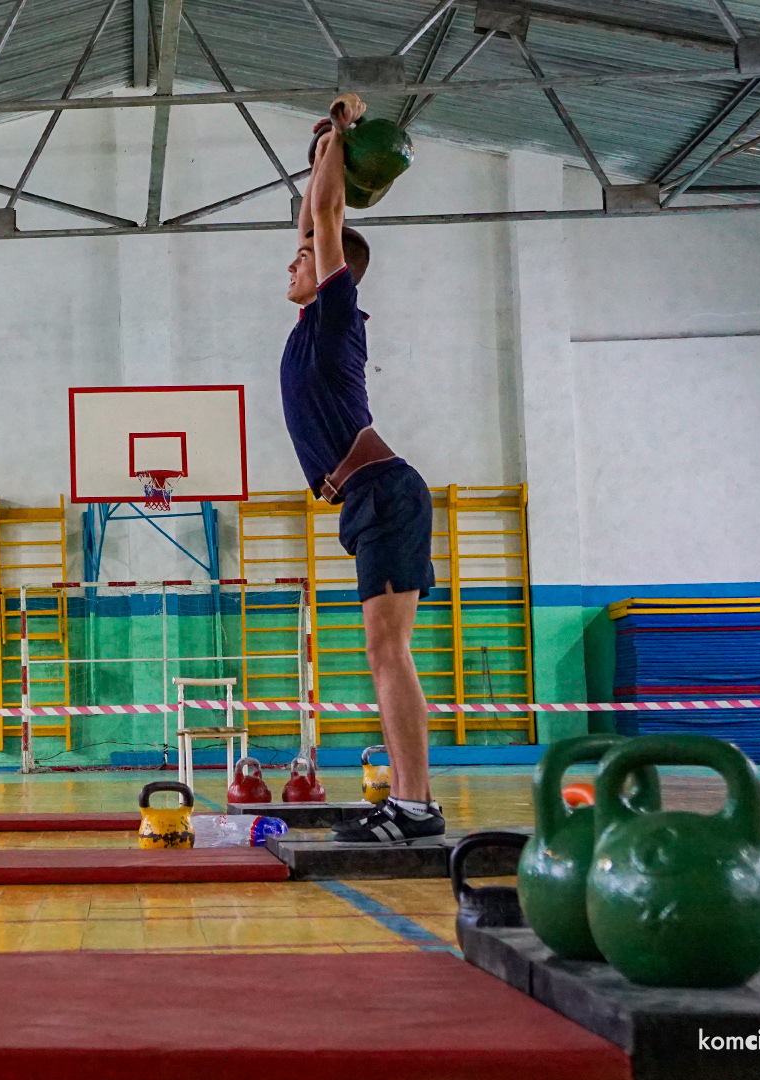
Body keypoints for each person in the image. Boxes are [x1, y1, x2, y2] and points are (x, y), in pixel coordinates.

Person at [280, 95, 440, 845]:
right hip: (368, 501)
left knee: (387, 650)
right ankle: (408, 802)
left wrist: (340, 137)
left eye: (306, 254)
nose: (294, 257)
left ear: (341, 267)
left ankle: (413, 806)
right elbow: (315, 210)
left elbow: (327, 213)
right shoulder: (315, 324)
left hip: (383, 493)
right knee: (382, 650)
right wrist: (322, 147)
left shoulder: (339, 311)